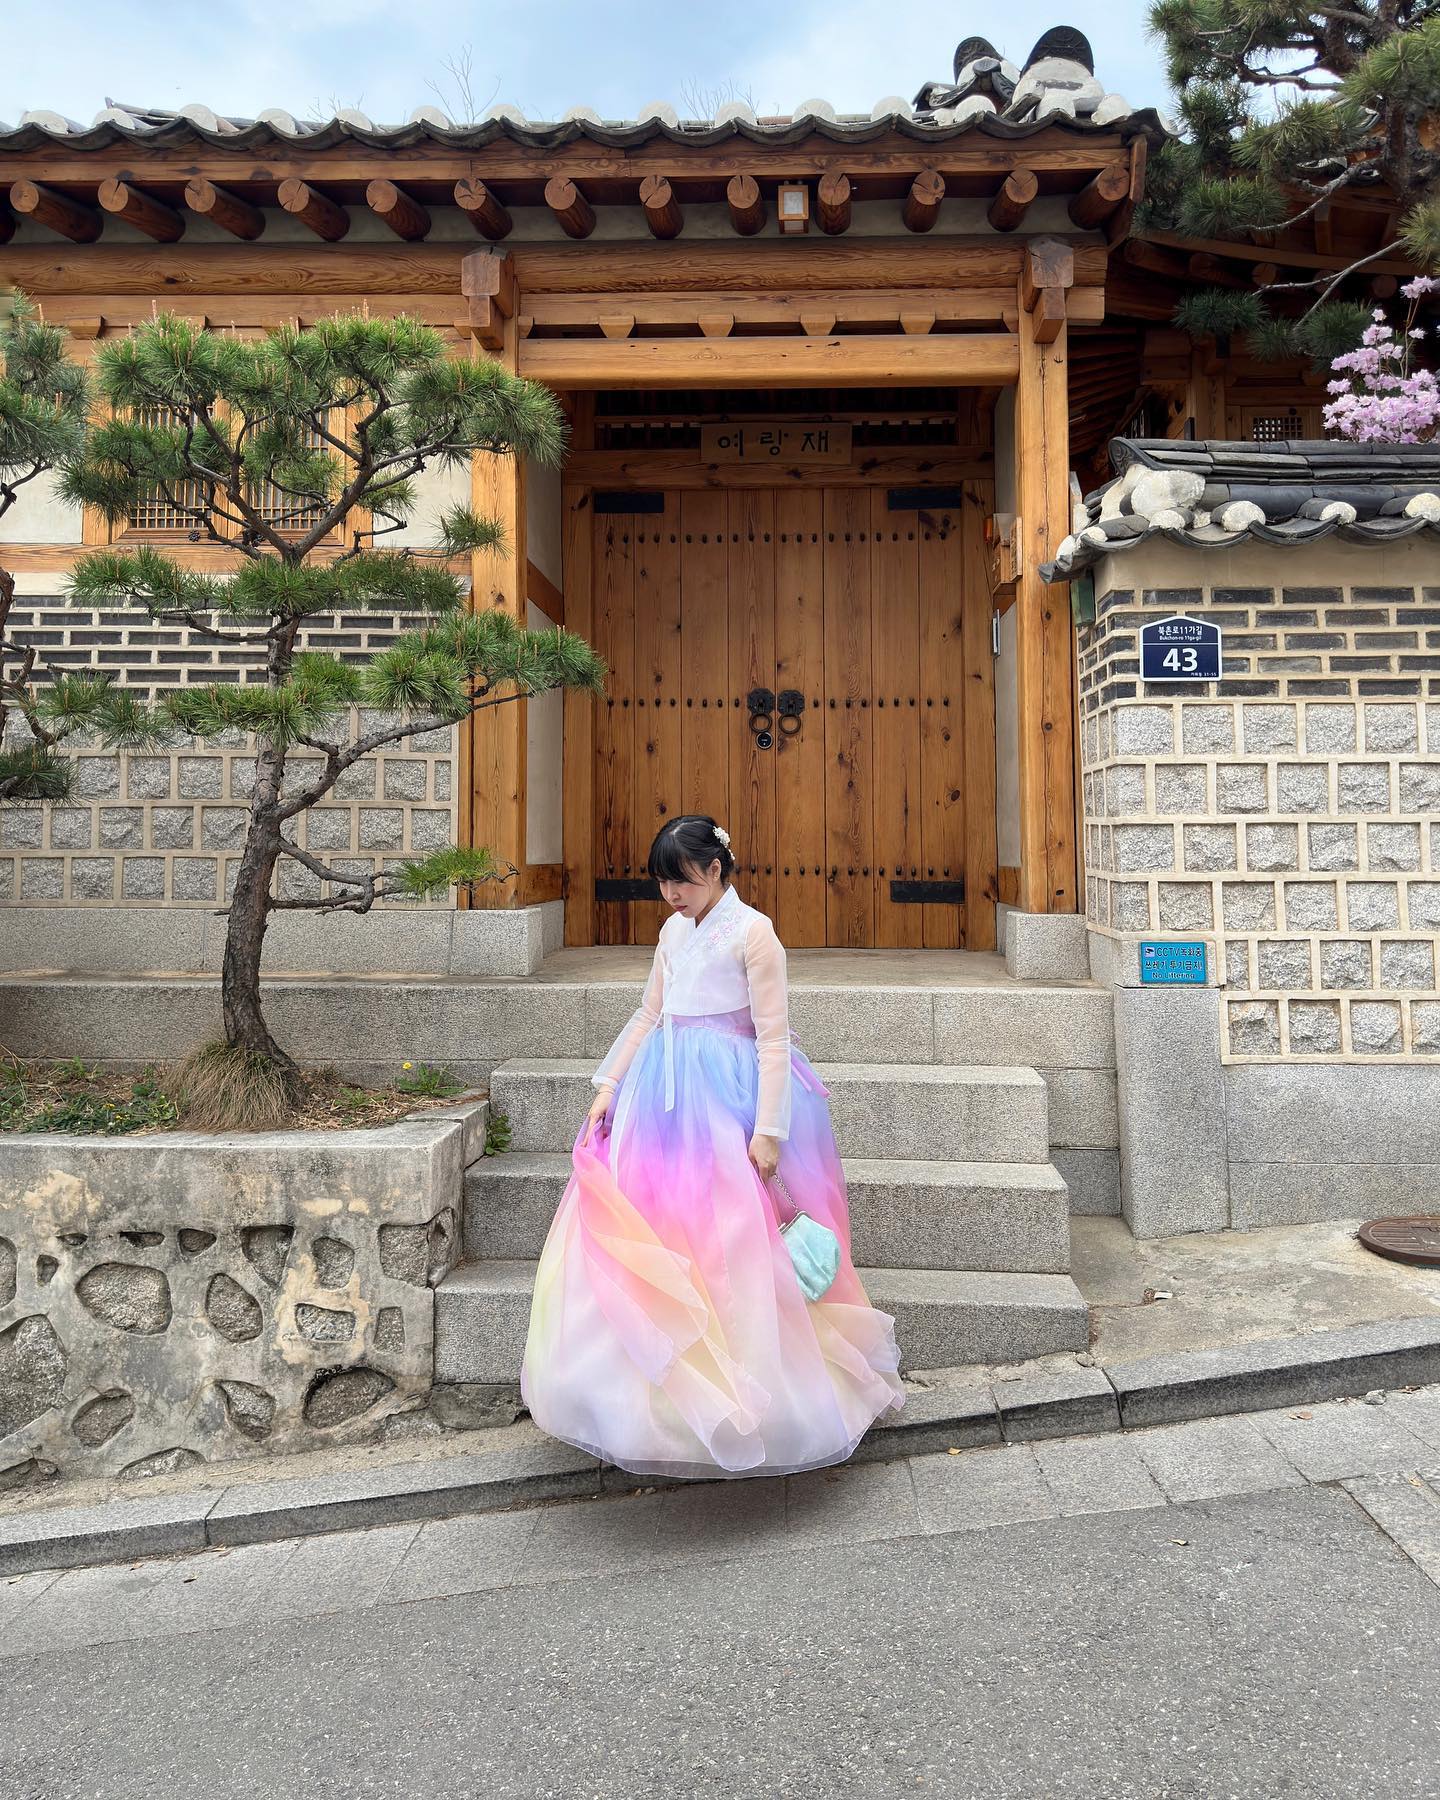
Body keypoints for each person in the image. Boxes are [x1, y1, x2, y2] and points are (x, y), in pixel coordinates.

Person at [520, 813, 906, 1479]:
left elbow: (774, 1036)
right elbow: (649, 1013)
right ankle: (656, 1409)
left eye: (684, 879)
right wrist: (609, 1084)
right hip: (659, 1101)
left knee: (730, 1239)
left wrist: (769, 1129)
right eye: (664, 882)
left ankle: (759, 1397)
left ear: (717, 869)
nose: (673, 894)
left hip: (729, 1095)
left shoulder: (754, 935)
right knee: (660, 1231)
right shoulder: (672, 932)